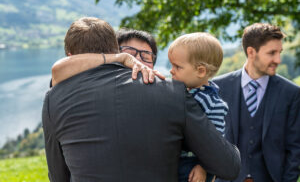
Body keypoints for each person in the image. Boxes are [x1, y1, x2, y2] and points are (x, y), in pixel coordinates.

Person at [42, 17, 241, 182]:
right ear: (116, 49)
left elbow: (59, 176)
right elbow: (228, 166)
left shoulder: (54, 99)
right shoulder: (174, 92)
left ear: (70, 56)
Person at [213, 23, 300, 182]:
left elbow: (295, 148)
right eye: (272, 53)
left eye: (279, 52)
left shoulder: (291, 93)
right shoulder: (219, 87)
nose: (278, 60)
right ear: (251, 52)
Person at [168, 33, 228, 182]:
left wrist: (203, 167)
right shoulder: (187, 92)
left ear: (201, 71)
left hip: (192, 166)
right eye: (171, 65)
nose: (171, 70)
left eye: (177, 66)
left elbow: (215, 143)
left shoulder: (212, 103)